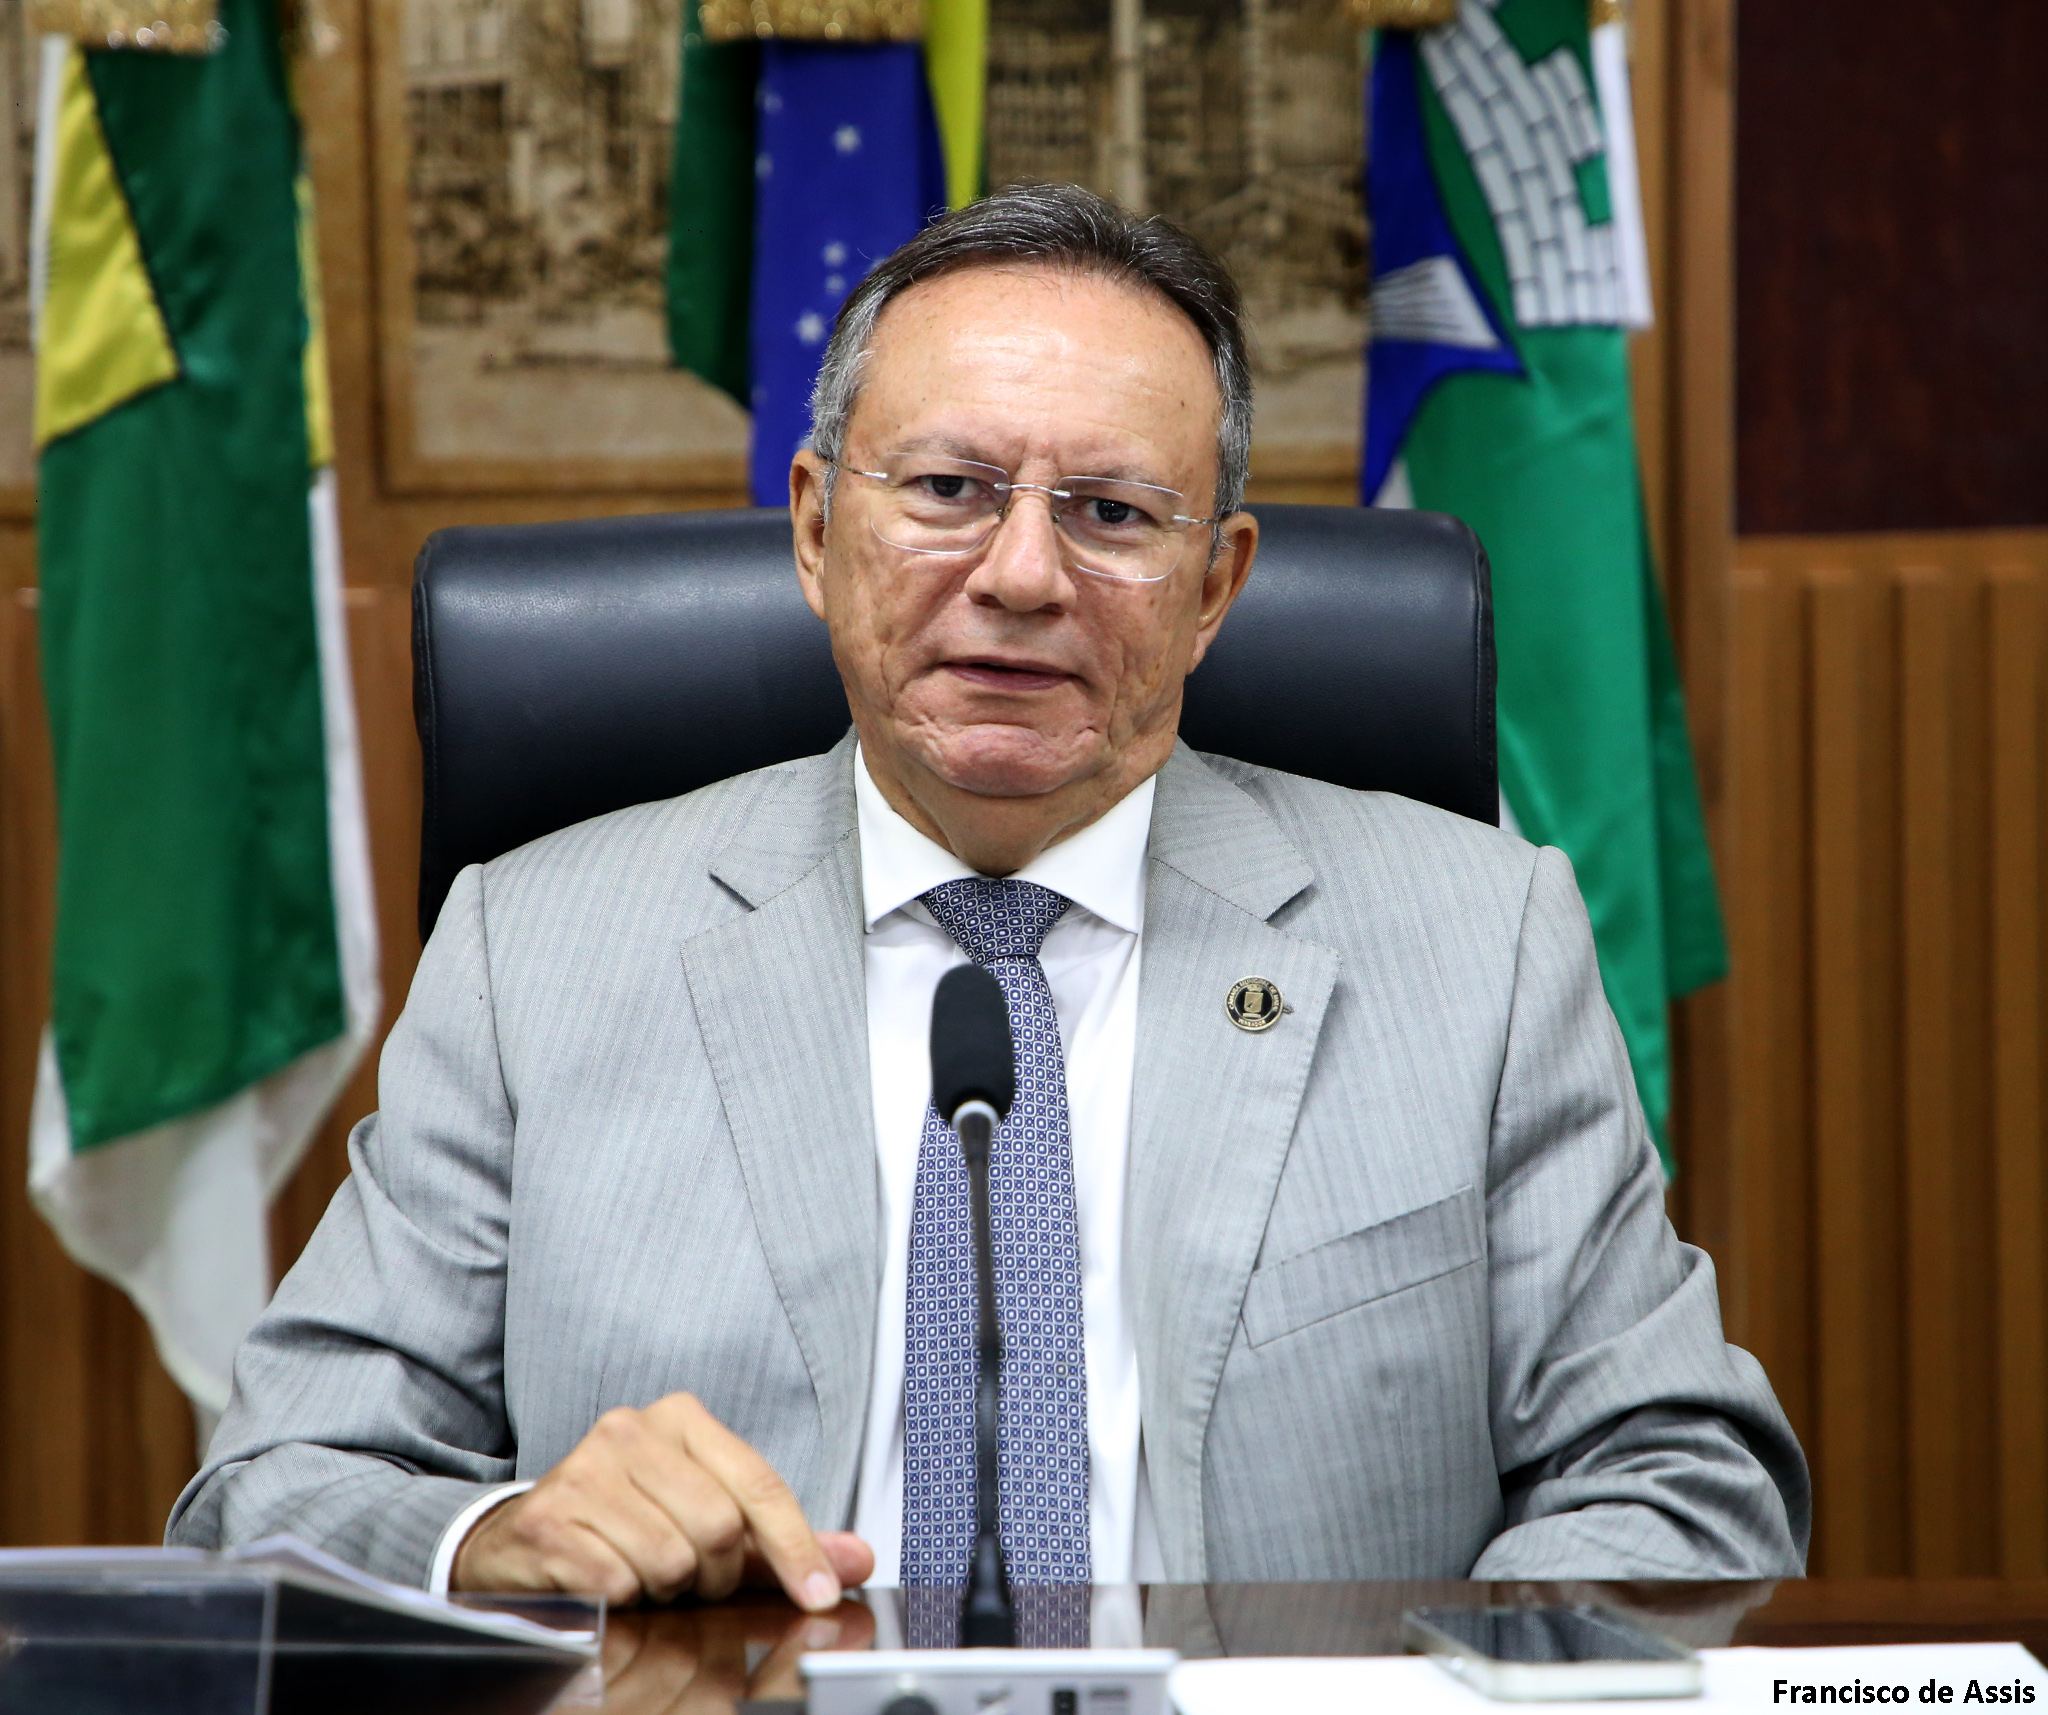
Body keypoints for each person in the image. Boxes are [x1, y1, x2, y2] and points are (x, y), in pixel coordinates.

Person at [167, 184, 1809, 1611]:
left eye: (1112, 514)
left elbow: (1682, 1478)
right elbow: (271, 1488)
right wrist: (500, 1535)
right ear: (817, 528)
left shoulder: (1479, 941)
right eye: (948, 490)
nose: (1021, 576)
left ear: (1217, 585)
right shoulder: (531, 953)